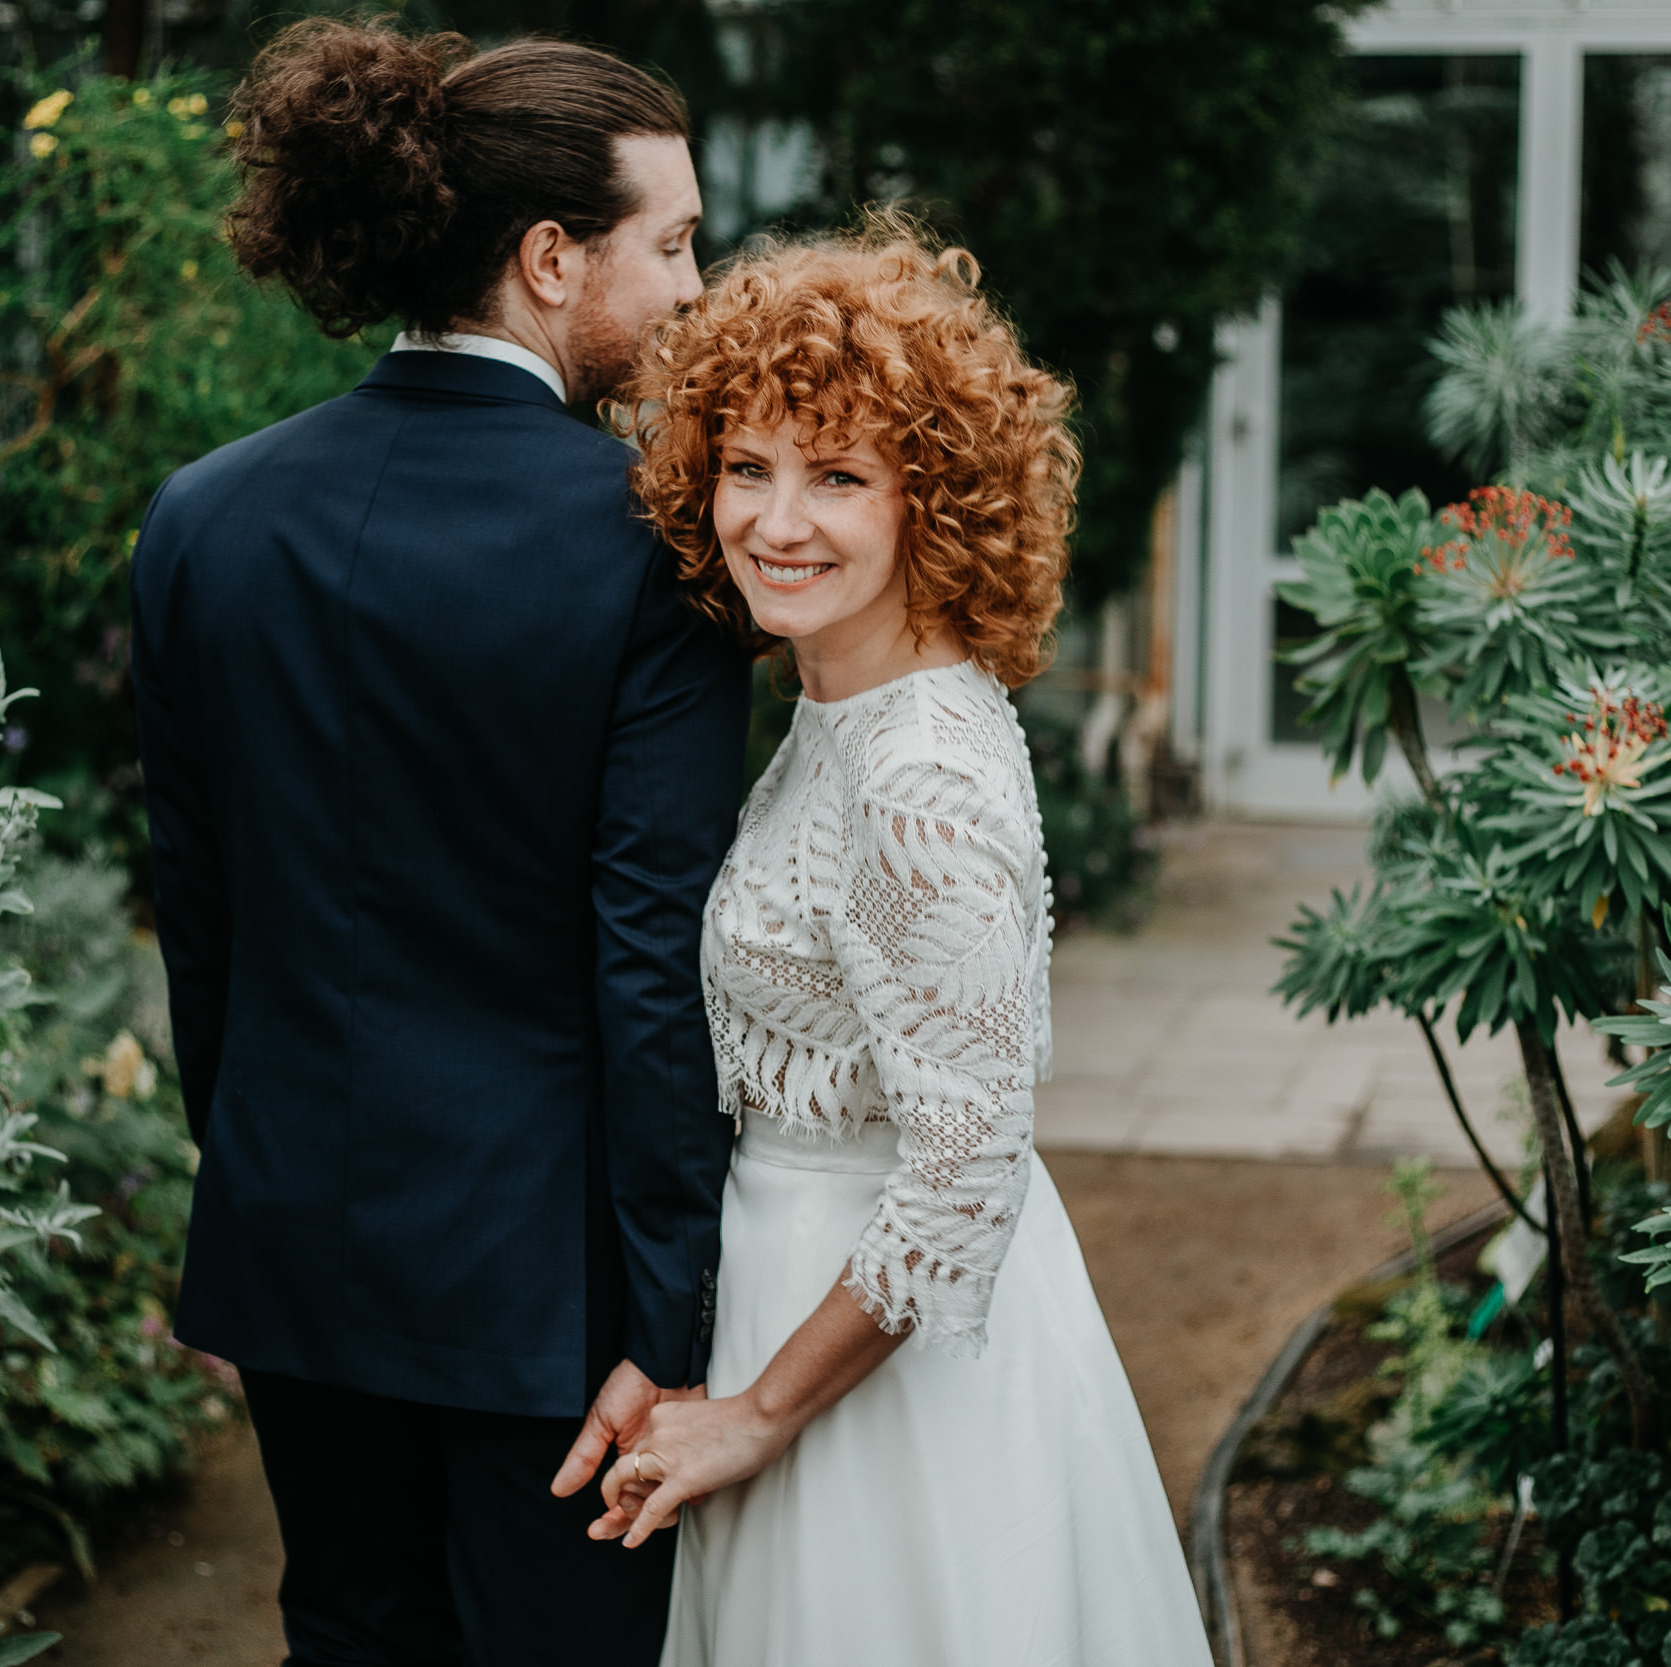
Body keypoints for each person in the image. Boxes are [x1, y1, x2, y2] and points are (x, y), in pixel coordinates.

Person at [128, 19, 745, 1665]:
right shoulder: (650, 557)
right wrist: (669, 1323)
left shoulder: (202, 518)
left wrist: (252, 1184)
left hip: (294, 1257)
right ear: (551, 259)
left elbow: (205, 924)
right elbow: (651, 967)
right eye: (671, 243)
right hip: (545, 1302)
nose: (696, 287)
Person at [598, 224, 1217, 1666]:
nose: (777, 521)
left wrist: (756, 1415)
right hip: (797, 1295)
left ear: (932, 502)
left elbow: (962, 1171)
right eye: (747, 467)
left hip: (880, 1370)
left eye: (838, 476)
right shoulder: (842, 708)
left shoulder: (919, 778)